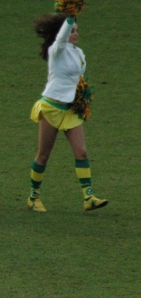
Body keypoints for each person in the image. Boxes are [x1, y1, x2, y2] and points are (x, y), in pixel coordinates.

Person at [27, 14, 108, 212]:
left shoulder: (79, 53)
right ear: (63, 33)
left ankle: (88, 198)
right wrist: (69, 18)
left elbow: (78, 78)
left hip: (70, 110)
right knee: (43, 155)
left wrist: (81, 95)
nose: (75, 34)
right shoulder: (56, 50)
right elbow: (62, 37)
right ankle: (33, 197)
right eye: (72, 31)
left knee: (81, 152)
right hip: (51, 108)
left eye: (77, 30)